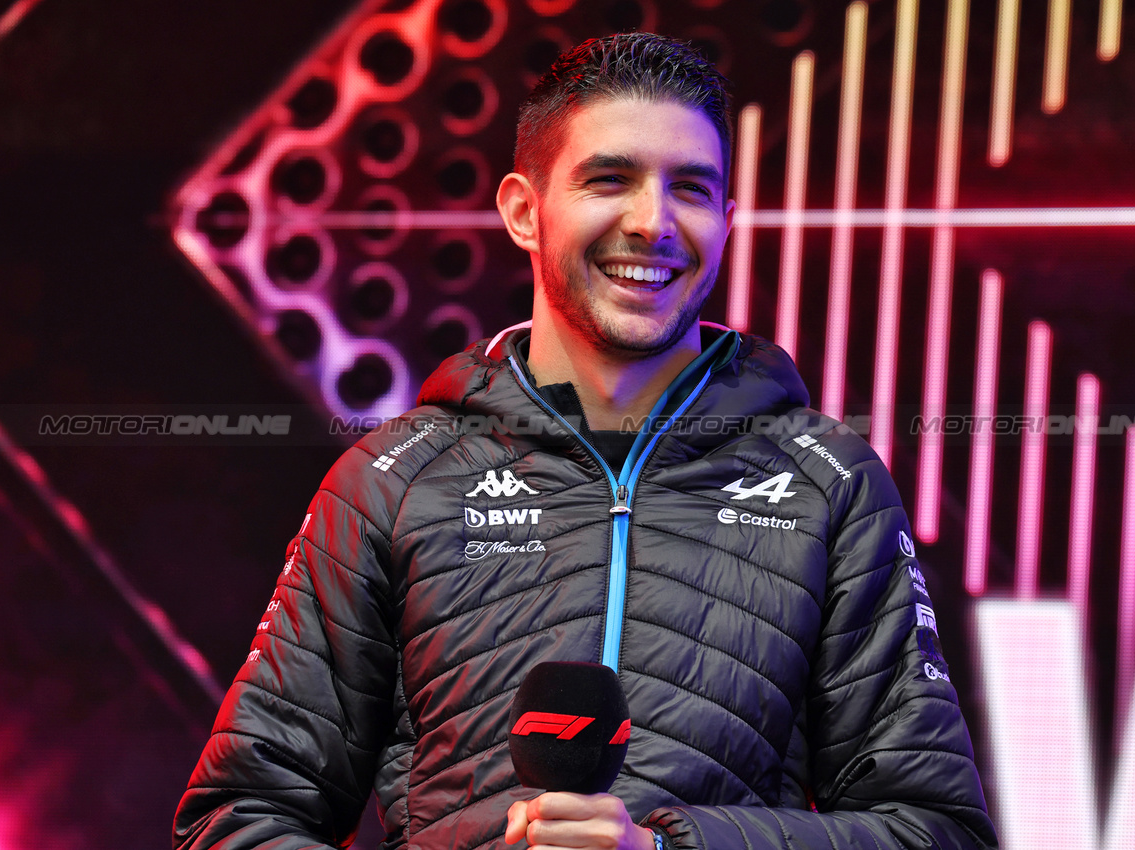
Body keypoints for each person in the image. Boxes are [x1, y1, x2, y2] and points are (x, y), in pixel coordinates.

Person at [173, 33, 997, 850]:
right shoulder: (393, 482)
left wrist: (670, 849)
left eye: (691, 190)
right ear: (523, 212)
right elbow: (236, 821)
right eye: (610, 180)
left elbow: (935, 831)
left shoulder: (827, 482)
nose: (652, 223)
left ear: (727, 219)